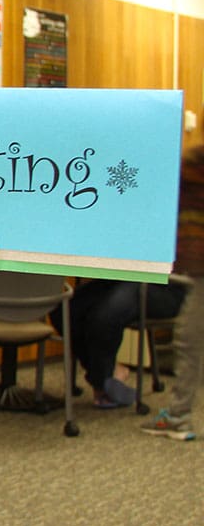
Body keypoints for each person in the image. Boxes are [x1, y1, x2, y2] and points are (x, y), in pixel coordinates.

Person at [141, 143, 204, 439]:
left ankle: (178, 417)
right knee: (190, 342)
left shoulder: (193, 164)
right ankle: (178, 415)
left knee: (190, 343)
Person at [50, 278, 186, 408]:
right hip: (120, 278)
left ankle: (103, 382)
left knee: (104, 316)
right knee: (62, 311)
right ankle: (108, 373)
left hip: (167, 287)